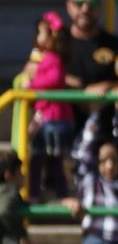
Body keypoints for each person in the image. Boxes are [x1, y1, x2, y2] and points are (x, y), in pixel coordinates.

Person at [20, 11, 78, 201]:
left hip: (53, 119)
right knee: (43, 159)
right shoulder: (46, 58)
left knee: (48, 160)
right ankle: (41, 192)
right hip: (47, 116)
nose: (37, 38)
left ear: (51, 38)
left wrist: (31, 84)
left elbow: (54, 79)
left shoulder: (52, 59)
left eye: (41, 33)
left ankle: (51, 194)